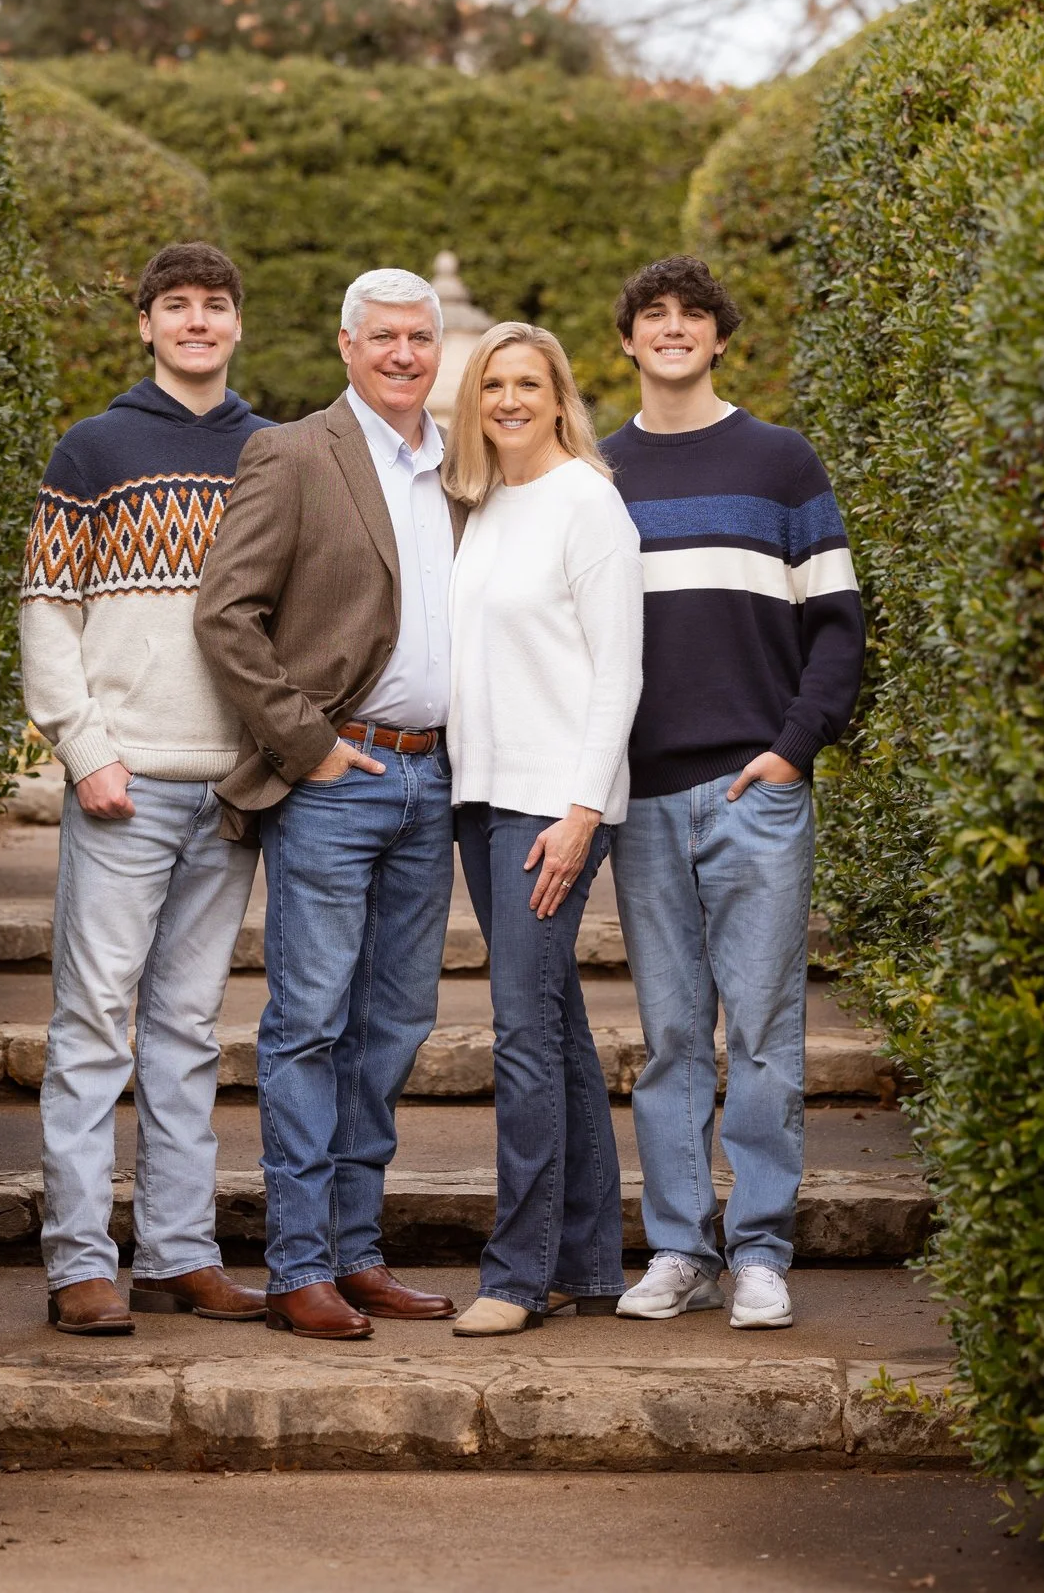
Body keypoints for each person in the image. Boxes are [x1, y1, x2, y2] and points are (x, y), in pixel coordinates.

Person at [195, 267, 462, 1341]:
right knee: (309, 1024)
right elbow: (226, 614)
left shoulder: (459, 468)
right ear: (345, 346)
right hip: (337, 778)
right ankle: (299, 1264)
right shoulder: (296, 452)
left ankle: (358, 1254)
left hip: (433, 779)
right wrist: (306, 747)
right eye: (383, 336)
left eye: (419, 338)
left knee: (395, 1024)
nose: (403, 354)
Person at [600, 255, 865, 1331]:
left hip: (755, 789)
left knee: (761, 1033)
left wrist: (794, 751)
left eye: (691, 317)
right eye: (651, 315)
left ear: (718, 338)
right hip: (644, 800)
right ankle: (677, 1248)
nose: (671, 330)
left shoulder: (780, 461)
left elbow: (838, 624)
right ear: (625, 341)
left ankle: (758, 1249)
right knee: (669, 1039)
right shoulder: (595, 474)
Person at [19, 242, 275, 1335]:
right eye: (177, 307)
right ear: (147, 326)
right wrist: (85, 750)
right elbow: (46, 609)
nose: (197, 322)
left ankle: (178, 1253)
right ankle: (80, 1260)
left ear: (236, 325)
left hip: (227, 790)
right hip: (123, 782)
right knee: (92, 1027)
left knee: (184, 1029)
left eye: (214, 307)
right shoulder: (93, 448)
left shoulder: (275, 450)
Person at [439, 324, 643, 1337]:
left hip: (550, 805)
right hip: (481, 796)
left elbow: (619, 673)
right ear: (473, 402)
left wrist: (580, 813)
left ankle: (515, 1275)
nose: (509, 399)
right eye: (493, 385)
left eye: (528, 383)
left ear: (561, 397)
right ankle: (586, 1262)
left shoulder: (586, 503)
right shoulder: (485, 505)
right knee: (554, 1033)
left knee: (520, 1035)